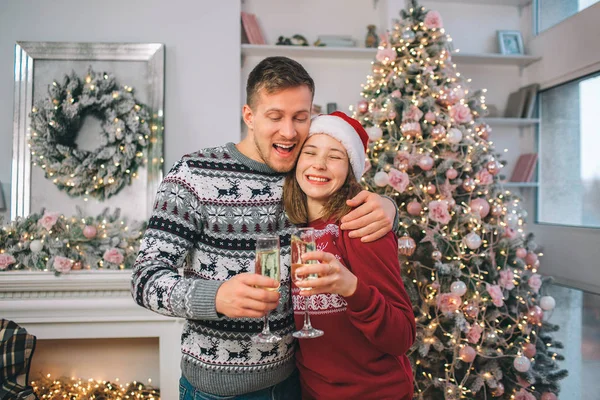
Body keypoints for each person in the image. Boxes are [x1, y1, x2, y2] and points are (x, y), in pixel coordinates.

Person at [131, 56, 399, 399]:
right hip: (216, 392)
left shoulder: (303, 175)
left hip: (294, 384)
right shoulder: (193, 174)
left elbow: (344, 204)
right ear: (249, 116)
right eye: (275, 117)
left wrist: (389, 208)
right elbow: (145, 278)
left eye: (300, 118)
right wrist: (216, 297)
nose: (289, 132)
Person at [283, 112, 416, 400]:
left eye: (335, 157)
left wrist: (351, 288)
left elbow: (402, 335)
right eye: (311, 152)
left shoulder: (362, 225)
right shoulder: (292, 229)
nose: (319, 163)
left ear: (349, 171)